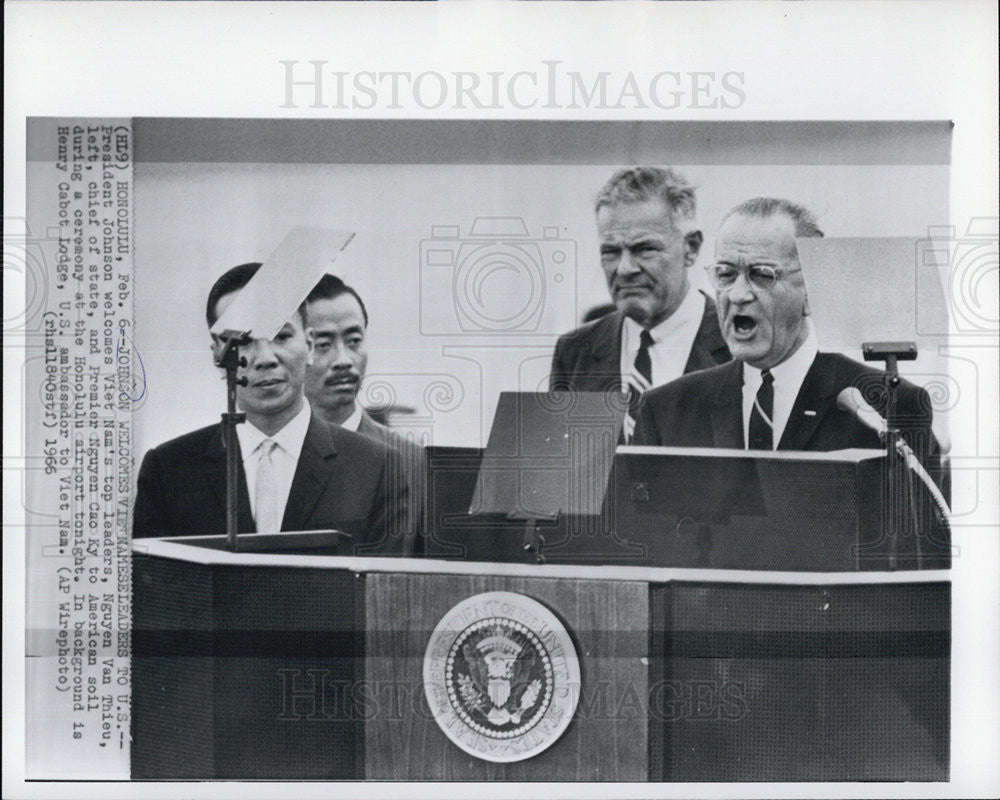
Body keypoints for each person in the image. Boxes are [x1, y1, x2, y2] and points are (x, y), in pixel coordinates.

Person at [633, 198, 947, 556]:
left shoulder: (885, 407)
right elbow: (644, 557)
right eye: (725, 274)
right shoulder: (667, 412)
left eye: (761, 274)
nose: (737, 294)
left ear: (812, 291)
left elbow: (916, 562)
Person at [132, 263, 410, 554]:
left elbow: (383, 593)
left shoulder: (376, 467)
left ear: (311, 344)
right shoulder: (170, 470)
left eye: (281, 336)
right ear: (217, 353)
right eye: (244, 341)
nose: (265, 358)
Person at [549, 166, 730, 438]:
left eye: (645, 249)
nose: (624, 269)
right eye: (610, 251)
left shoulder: (738, 347)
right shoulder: (575, 352)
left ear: (691, 248)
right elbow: (568, 475)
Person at [303, 274, 426, 554]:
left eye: (354, 341)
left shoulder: (408, 459)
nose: (344, 360)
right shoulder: (278, 453)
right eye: (323, 345)